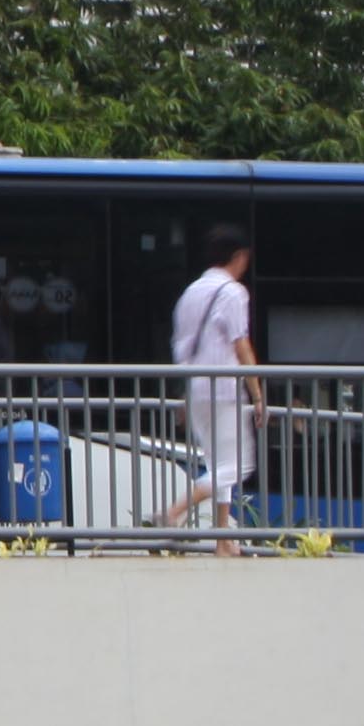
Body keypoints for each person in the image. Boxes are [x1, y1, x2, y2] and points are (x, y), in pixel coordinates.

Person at [160, 226, 260, 551]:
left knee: (219, 465)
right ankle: (174, 512)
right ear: (238, 257)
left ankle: (223, 539)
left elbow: (182, 346)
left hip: (196, 390)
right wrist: (258, 394)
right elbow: (240, 344)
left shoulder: (190, 293)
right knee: (239, 465)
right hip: (225, 390)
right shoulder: (233, 293)